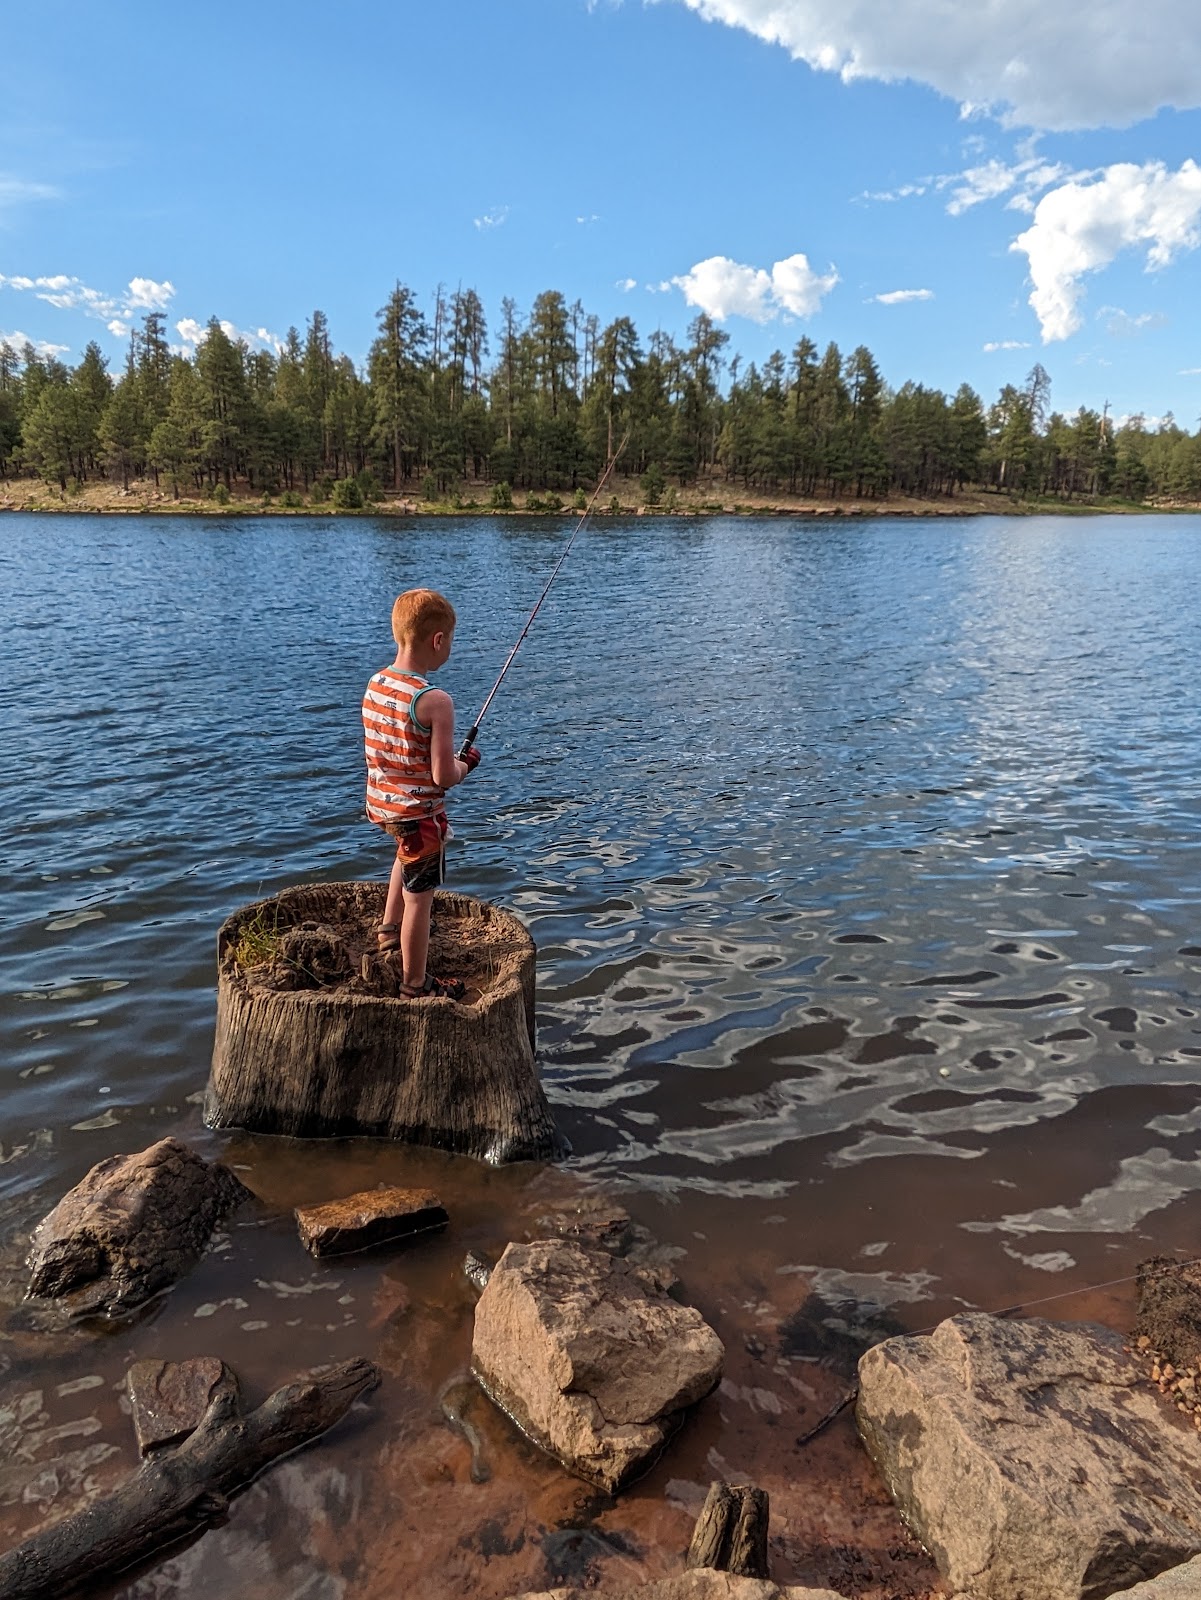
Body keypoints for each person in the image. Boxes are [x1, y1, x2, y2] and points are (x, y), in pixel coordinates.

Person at [362, 588, 480, 998]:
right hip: (418, 814)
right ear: (438, 640)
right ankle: (415, 984)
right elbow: (443, 775)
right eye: (451, 640)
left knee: (404, 854)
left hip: (383, 806)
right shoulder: (435, 701)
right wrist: (468, 763)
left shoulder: (376, 683)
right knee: (420, 899)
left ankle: (388, 930)